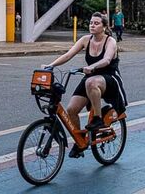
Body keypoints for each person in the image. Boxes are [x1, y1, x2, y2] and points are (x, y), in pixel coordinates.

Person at [42, 12, 128, 159]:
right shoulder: (85, 40)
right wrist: (50, 66)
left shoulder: (110, 41)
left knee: (90, 81)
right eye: (91, 23)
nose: (92, 25)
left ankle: (98, 118)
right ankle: (80, 142)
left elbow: (107, 60)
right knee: (71, 109)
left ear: (105, 27)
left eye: (96, 23)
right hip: (91, 77)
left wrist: (93, 67)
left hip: (110, 78)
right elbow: (68, 55)